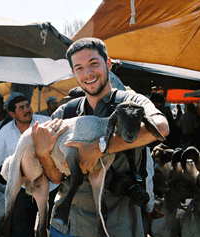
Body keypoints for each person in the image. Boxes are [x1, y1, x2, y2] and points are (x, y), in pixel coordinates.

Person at [31, 37, 169, 237]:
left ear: (109, 64)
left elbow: (162, 127)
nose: (87, 73)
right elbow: (56, 178)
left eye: (94, 63)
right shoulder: (65, 113)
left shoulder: (131, 101)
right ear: (73, 73)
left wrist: (100, 147)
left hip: (118, 225)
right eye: (79, 68)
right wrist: (43, 155)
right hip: (67, 225)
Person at [0, 92, 58, 236]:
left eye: (27, 106)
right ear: (12, 113)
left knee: (53, 229)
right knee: (21, 230)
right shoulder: (5, 132)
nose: (27, 110)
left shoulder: (46, 122)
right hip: (24, 187)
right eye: (21, 108)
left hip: (52, 186)